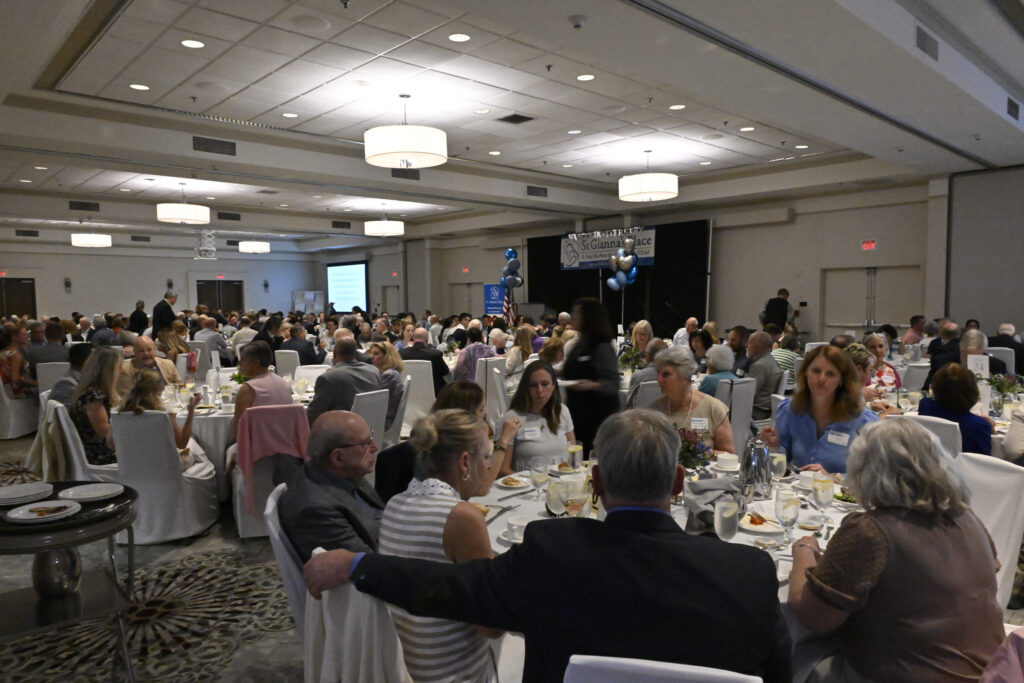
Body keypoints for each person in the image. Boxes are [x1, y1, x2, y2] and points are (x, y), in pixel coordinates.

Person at [304, 409, 792, 683]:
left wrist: (360, 564)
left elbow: (449, 586)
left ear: (596, 482)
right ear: (679, 482)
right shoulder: (749, 572)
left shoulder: (551, 553)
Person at [787, 418, 1003, 683]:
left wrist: (803, 549)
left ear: (864, 470)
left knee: (791, 652)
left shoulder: (870, 530)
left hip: (902, 675)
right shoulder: (968, 519)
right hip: (992, 672)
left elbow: (814, 616)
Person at [379, 409, 503, 682]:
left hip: (406, 666)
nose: (489, 466)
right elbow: (491, 625)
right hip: (452, 673)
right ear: (464, 462)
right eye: (486, 456)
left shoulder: (395, 504)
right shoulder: (462, 517)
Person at [279, 411, 384, 560]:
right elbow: (365, 567)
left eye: (371, 437)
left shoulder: (341, 472)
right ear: (338, 457)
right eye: (365, 443)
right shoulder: (316, 509)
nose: (375, 447)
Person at [760, 344, 878, 473]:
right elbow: (780, 464)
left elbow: (873, 474)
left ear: (841, 380)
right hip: (800, 491)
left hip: (842, 492)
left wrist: (834, 477)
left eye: (830, 374)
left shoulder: (862, 420)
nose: (821, 379)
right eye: (816, 371)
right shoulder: (790, 410)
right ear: (806, 373)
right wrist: (773, 447)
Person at [649, 345, 735, 453]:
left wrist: (700, 452)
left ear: (684, 376)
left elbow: (730, 455)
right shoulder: (654, 413)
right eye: (658, 373)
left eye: (666, 374)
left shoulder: (713, 408)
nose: (659, 379)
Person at [561, 298, 619, 454]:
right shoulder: (580, 342)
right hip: (579, 414)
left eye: (577, 314)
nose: (573, 317)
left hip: (596, 418)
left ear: (589, 317)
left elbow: (613, 384)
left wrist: (591, 385)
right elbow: (573, 369)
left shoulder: (602, 346)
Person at [497, 361, 575, 474]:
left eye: (544, 384)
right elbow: (503, 469)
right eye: (533, 385)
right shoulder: (512, 418)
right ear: (526, 388)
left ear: (553, 385)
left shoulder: (562, 411)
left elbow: (572, 453)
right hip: (527, 487)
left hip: (561, 483)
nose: (539, 390)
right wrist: (534, 483)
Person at [120, 369, 206, 468]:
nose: (162, 387)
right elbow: (182, 443)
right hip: (164, 465)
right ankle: (215, 478)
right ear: (157, 387)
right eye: (160, 383)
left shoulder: (122, 412)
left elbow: (112, 443)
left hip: (134, 465)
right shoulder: (163, 413)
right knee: (195, 445)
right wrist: (191, 411)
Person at [919, 363, 993, 455]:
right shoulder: (979, 425)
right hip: (964, 469)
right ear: (972, 390)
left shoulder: (925, 406)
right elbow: (984, 461)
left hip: (929, 465)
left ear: (935, 386)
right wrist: (989, 428)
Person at [306, 339, 383, 425]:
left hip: (342, 434)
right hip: (370, 431)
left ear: (334, 355)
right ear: (356, 354)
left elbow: (313, 415)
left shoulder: (328, 378)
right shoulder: (374, 371)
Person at [70, 347, 122, 466]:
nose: (122, 371)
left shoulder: (94, 392)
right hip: (98, 456)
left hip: (98, 449)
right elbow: (104, 431)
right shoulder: (93, 397)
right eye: (119, 368)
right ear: (108, 371)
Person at [231, 341, 293, 436]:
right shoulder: (285, 384)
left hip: (257, 447)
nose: (239, 363)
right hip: (286, 445)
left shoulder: (248, 389)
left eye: (242, 359)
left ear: (256, 364)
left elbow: (238, 431)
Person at [116, 335, 181, 396]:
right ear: (135, 352)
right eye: (142, 351)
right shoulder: (125, 369)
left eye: (149, 350)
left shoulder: (168, 364)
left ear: (155, 350)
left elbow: (179, 387)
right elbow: (125, 396)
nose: (146, 354)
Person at [845, 343, 899, 415]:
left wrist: (869, 407)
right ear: (859, 370)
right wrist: (886, 413)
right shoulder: (847, 394)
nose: (871, 375)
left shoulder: (844, 387)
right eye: (870, 370)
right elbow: (864, 423)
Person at [399, 327, 450, 397]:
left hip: (408, 393)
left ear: (413, 338)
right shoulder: (435, 354)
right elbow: (445, 371)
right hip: (433, 393)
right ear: (427, 338)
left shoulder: (401, 354)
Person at [367, 341, 405, 431]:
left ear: (387, 356)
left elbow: (376, 400)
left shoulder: (389, 375)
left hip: (384, 422)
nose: (371, 357)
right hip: (386, 418)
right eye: (371, 353)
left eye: (376, 354)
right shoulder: (392, 372)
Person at [746, 331, 783, 420]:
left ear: (758, 347)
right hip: (766, 410)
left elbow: (748, 393)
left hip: (756, 412)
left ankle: (706, 433)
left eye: (749, 343)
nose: (746, 346)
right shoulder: (771, 361)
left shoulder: (760, 366)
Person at [50, 343, 93, 408]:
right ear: (87, 361)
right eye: (97, 360)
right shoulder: (67, 384)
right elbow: (69, 416)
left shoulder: (85, 379)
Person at [0, 324, 35, 396]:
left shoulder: (2, 353)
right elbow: (15, 380)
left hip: (4, 395)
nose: (27, 337)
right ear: (14, 337)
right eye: (25, 334)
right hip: (16, 397)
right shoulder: (15, 356)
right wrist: (36, 383)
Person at [503, 326, 533, 392]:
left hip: (513, 384)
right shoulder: (530, 351)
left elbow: (507, 369)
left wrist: (499, 365)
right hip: (524, 382)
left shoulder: (515, 350)